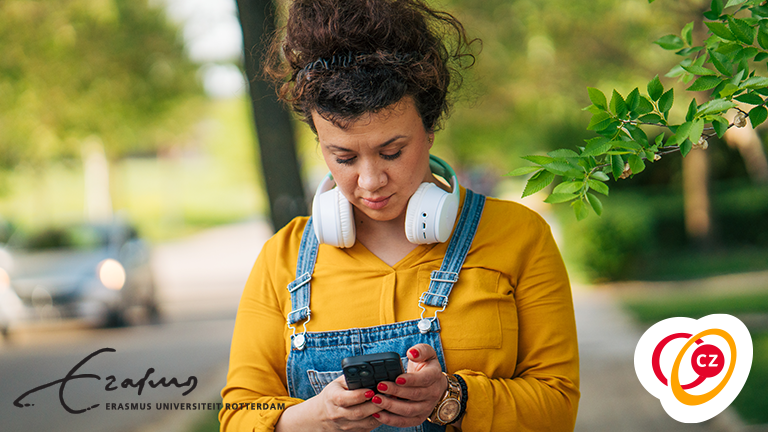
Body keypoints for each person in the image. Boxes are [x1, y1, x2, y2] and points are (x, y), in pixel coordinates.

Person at [220, 1, 579, 431]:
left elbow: (558, 407)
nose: (370, 181)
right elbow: (241, 416)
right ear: (318, 143)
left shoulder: (519, 235)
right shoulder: (281, 259)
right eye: (344, 156)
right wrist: (318, 416)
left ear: (429, 129)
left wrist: (453, 398)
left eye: (392, 152)